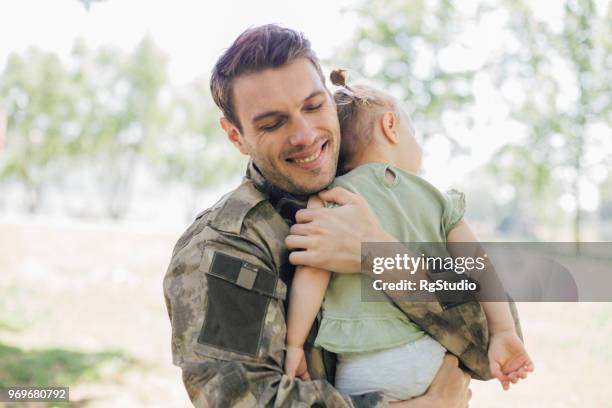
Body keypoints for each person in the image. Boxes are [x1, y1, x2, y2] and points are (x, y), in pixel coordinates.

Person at [164, 24, 473, 407]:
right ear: (235, 136)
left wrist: (381, 256)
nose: (305, 135)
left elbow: (494, 341)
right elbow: (246, 399)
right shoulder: (223, 247)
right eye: (273, 123)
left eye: (313, 106)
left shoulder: (394, 199)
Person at [283, 71, 534, 400]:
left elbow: (312, 270)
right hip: (430, 358)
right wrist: (503, 331)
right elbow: (478, 265)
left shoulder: (333, 199)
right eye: (413, 132)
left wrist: (294, 344)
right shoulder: (435, 198)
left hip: (363, 370)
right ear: (390, 126)